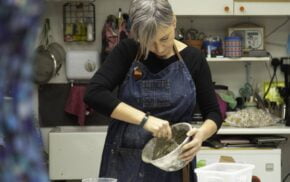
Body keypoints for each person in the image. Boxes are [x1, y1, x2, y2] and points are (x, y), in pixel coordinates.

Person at [84, 0, 222, 181]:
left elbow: (214, 113)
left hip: (174, 164)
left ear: (173, 22)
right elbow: (94, 93)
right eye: (149, 41)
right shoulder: (128, 51)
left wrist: (201, 136)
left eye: (164, 38)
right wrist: (144, 120)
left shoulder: (193, 59)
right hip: (125, 162)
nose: (158, 48)